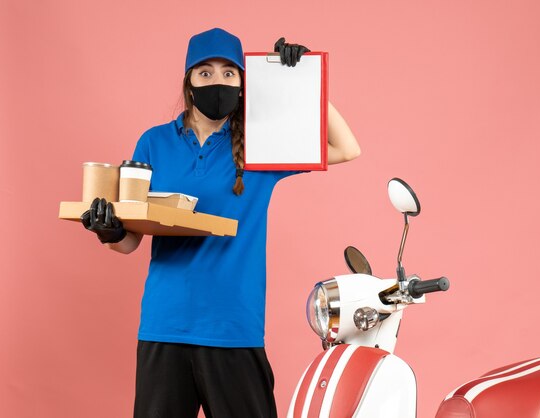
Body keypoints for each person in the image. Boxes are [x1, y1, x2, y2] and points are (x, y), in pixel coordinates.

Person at [81, 27, 360, 418]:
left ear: (244, 83)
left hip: (233, 326)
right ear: (189, 81)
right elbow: (129, 242)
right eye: (206, 72)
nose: (217, 81)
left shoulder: (262, 143)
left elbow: (347, 147)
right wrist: (109, 230)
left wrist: (300, 79)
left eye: (229, 73)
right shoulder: (153, 142)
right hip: (165, 326)